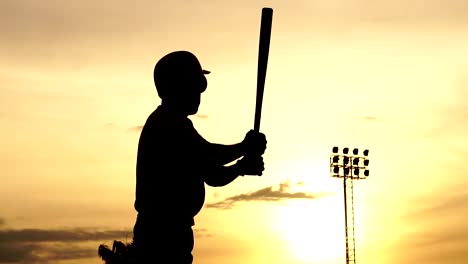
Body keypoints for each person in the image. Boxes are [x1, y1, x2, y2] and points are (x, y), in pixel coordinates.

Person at [132, 50, 267, 263]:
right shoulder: (167, 122)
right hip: (162, 235)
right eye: (196, 86)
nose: (199, 94)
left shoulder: (176, 123)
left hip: (174, 232)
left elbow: (212, 175)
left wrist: (240, 167)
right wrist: (244, 147)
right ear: (180, 86)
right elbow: (209, 155)